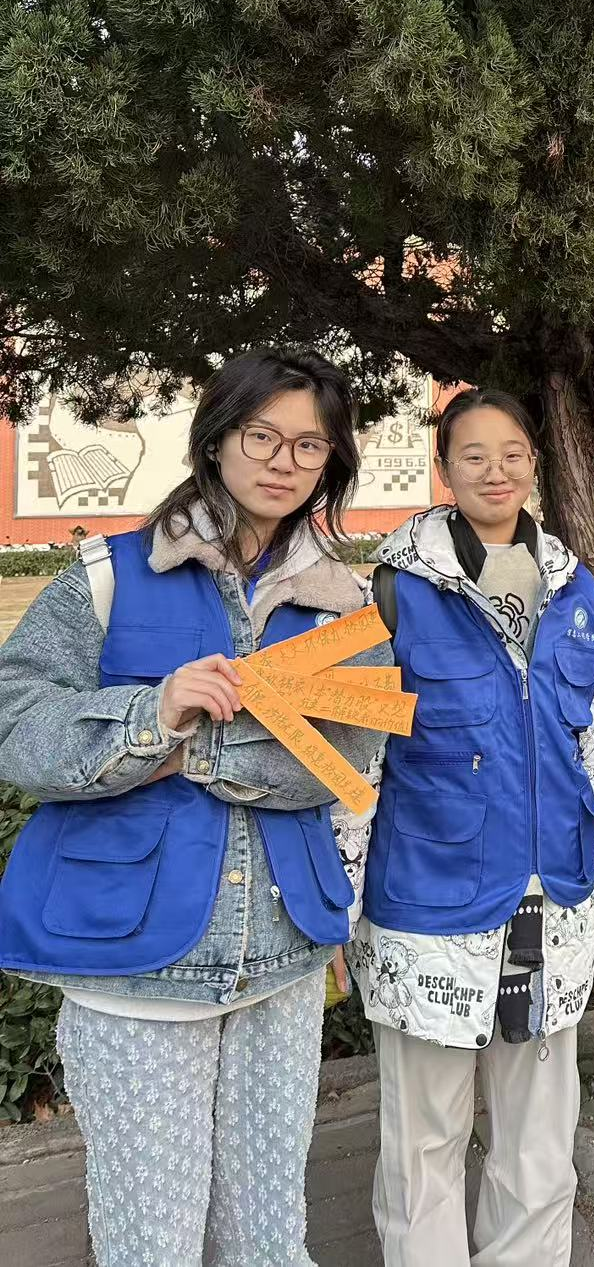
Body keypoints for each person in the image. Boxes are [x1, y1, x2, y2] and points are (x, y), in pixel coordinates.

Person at [0, 351, 389, 1267]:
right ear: (216, 439)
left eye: (310, 445)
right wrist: (154, 713)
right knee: (153, 1242)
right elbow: (17, 724)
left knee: (270, 1238)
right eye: (262, 435)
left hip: (283, 957)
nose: (284, 460)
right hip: (135, 965)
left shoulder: (342, 602)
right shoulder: (110, 574)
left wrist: (197, 750)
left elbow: (352, 757)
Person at [343, 389, 594, 1267]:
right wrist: (334, 908)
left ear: (534, 463)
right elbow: (358, 764)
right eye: (473, 455)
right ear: (444, 469)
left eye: (512, 453)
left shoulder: (576, 589)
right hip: (428, 907)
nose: (495, 471)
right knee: (423, 1143)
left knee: (540, 1144)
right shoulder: (394, 589)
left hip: (552, 901)